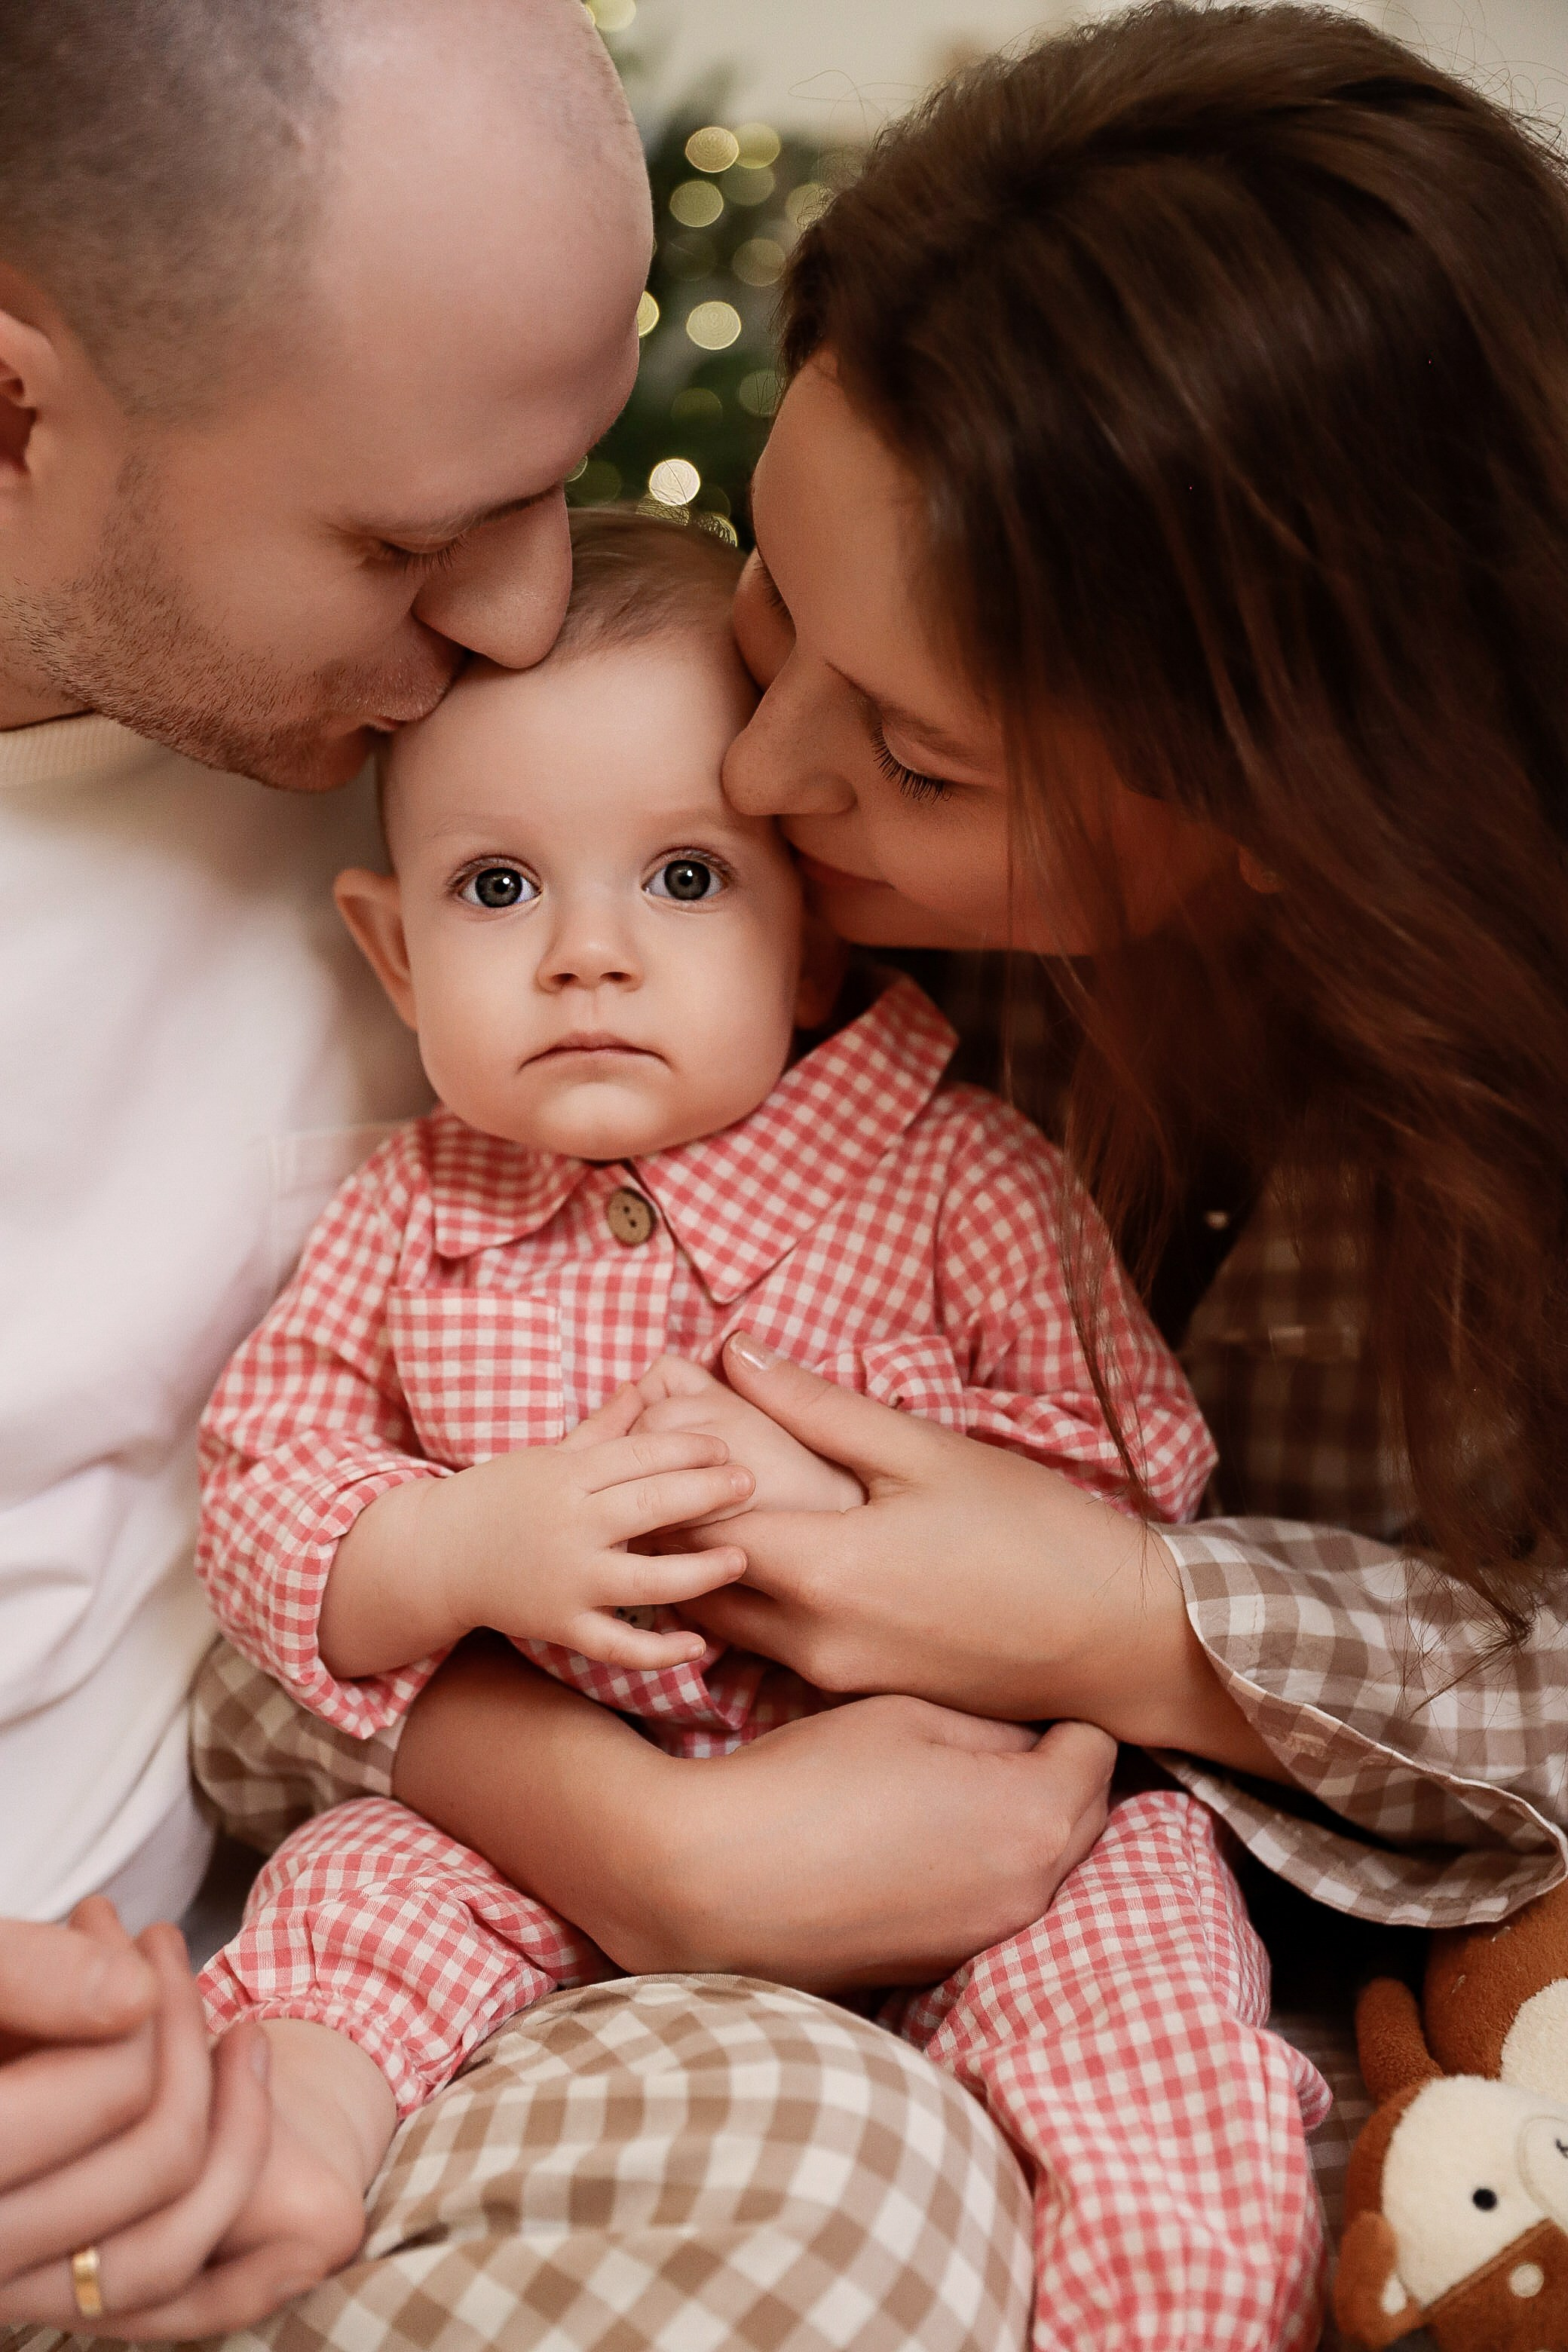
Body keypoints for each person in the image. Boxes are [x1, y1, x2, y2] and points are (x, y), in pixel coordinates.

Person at [196, 0, 1568, 2340]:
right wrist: (632, 1832)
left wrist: (1123, 1620)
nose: (764, 776)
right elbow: (256, 1587)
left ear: (1285, 809)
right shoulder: (653, 988)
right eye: (773, 602)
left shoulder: (1444, 1116)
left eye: (918, 758)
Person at [0, 5, 1070, 2346]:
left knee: (845, 2185)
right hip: (119, 2088)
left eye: (563, 486)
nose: (514, 621)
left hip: (338, 2025)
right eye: (407, 537)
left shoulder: (503, 764)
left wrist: (646, 1835)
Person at [183, 508, 1322, 2333]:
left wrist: (863, 1490)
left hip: (964, 1817)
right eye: (498, 888)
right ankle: (271, 2176)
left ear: (807, 948)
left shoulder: (957, 1171)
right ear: (395, 961)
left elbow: (1136, 1476)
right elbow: (263, 1493)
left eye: (683, 878)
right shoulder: (412, 1209)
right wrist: (457, 1542)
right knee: (352, 1905)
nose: (587, 954)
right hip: (544, 1824)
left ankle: (1162, 2306)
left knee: (1142, 1987)